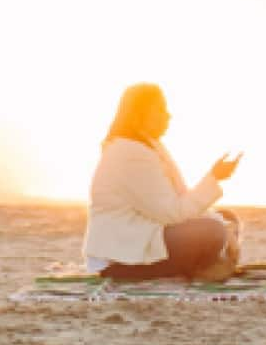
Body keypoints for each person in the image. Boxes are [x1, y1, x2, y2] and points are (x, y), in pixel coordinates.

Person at [82, 83, 242, 281]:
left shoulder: (147, 146)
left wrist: (215, 181)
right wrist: (214, 180)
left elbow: (179, 201)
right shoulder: (130, 154)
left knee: (227, 218)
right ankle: (204, 266)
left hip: (143, 237)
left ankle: (207, 263)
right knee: (212, 231)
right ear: (140, 114)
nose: (168, 116)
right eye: (161, 109)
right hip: (122, 260)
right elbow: (172, 213)